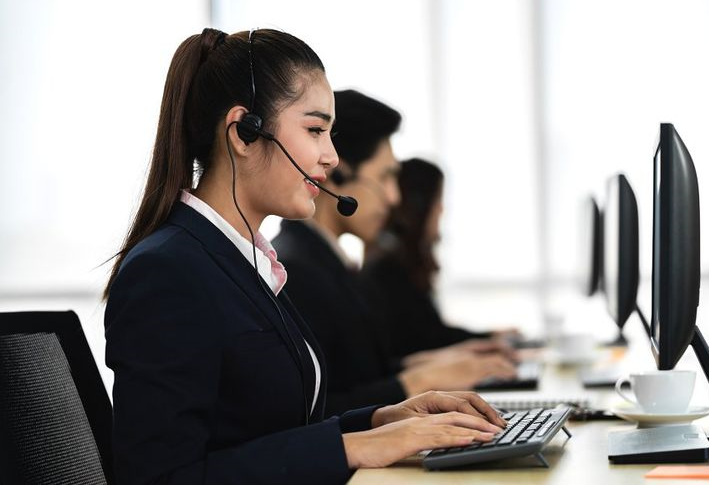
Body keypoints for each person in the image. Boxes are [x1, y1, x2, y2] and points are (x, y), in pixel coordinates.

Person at [103, 29, 507, 485]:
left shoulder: (245, 262)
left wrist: (380, 420)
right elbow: (159, 477)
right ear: (244, 132)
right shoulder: (168, 271)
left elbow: (271, 430)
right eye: (315, 130)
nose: (332, 157)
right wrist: (353, 447)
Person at [272, 89, 517, 417]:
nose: (393, 198)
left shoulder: (325, 260)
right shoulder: (295, 271)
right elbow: (315, 410)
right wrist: (420, 381)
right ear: (339, 174)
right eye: (385, 177)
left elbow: (358, 372)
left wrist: (433, 363)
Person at [362, 157, 515, 362]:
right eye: (438, 201)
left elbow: (431, 333)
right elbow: (425, 341)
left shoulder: (401, 262)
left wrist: (488, 337)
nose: (441, 210)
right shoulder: (388, 270)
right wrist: (487, 340)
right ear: (420, 206)